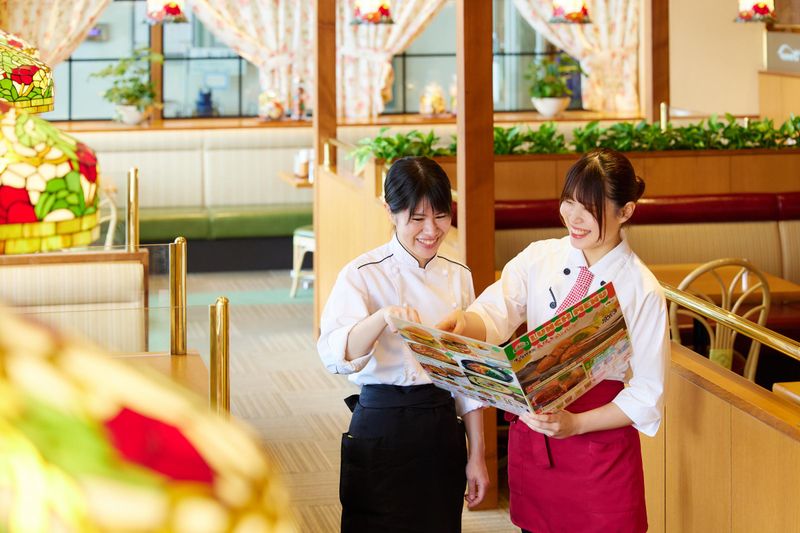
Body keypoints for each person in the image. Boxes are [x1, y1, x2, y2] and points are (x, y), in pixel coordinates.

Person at [436, 148, 669, 533]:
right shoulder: (539, 257)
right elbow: (495, 313)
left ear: (626, 211)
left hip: (600, 449)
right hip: (538, 435)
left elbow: (647, 393)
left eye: (589, 209)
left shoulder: (641, 288)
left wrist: (575, 424)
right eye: (568, 202)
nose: (573, 218)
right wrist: (464, 323)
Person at [318, 156, 489, 532]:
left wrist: (477, 454)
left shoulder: (458, 275)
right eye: (417, 218)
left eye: (441, 216)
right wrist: (382, 318)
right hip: (382, 423)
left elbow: (468, 376)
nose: (431, 230)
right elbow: (335, 355)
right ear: (389, 212)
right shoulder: (362, 274)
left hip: (440, 424)